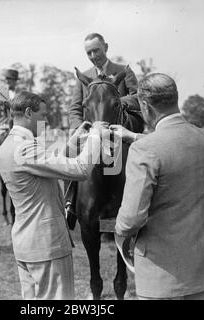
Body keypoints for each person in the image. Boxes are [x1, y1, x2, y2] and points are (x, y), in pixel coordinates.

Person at [114, 73, 204, 300]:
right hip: (203, 269)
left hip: (161, 275)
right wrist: (134, 136)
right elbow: (173, 145)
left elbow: (131, 219)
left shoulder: (145, 150)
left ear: (144, 105)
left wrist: (118, 232)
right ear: (175, 98)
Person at [0, 91, 108, 299]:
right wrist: (95, 136)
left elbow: (47, 164)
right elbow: (80, 170)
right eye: (43, 115)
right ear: (28, 113)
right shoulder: (25, 148)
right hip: (46, 246)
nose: (46, 121)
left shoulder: (9, 145)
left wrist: (74, 143)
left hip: (27, 244)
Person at [65, 32, 141, 221]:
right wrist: (77, 129)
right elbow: (75, 107)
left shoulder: (124, 71)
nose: (93, 56)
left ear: (106, 47)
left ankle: (144, 206)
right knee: (69, 153)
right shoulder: (84, 77)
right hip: (91, 133)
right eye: (88, 53)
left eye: (96, 50)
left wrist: (110, 100)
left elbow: (138, 98)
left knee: (143, 158)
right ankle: (70, 203)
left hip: (120, 132)